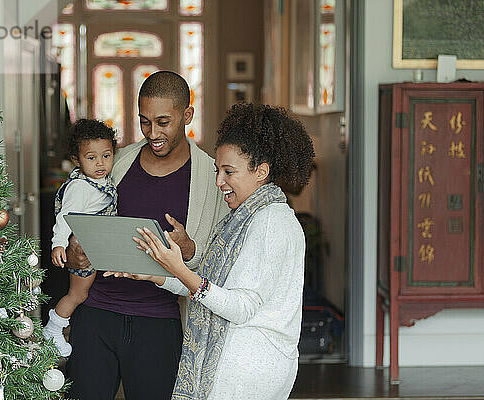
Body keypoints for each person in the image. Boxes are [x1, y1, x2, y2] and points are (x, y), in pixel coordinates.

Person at [109, 103, 315, 400]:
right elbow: (209, 287)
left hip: (249, 370)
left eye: (229, 172)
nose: (219, 181)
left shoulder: (272, 222)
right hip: (235, 364)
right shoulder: (244, 218)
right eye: (218, 171)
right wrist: (156, 275)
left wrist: (178, 268)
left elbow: (240, 308)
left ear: (261, 172)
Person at [65, 71, 228, 400]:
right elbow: (79, 223)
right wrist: (76, 253)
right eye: (145, 122)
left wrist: (189, 248)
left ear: (187, 115)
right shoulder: (116, 162)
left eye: (164, 122)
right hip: (97, 313)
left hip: (160, 321)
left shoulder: (211, 179)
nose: (154, 133)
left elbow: (219, 265)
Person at [43, 119, 118, 357]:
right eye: (92, 157)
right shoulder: (79, 187)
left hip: (96, 245)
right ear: (77, 159)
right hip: (83, 250)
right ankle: (53, 328)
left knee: (85, 291)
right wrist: (58, 244)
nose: (100, 163)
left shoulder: (99, 180)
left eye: (106, 156)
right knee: (78, 294)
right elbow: (65, 217)